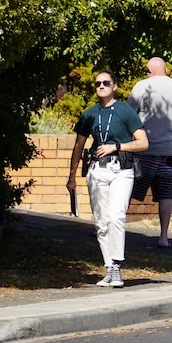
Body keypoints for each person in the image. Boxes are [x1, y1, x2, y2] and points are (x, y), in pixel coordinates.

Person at [67, 69, 148, 288]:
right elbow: (78, 145)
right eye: (97, 84)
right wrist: (72, 177)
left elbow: (143, 142)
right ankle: (109, 267)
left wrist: (116, 146)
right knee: (101, 222)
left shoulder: (125, 111)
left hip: (122, 169)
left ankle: (117, 267)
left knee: (115, 216)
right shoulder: (89, 114)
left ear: (114, 86)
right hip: (97, 170)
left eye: (105, 83)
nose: (101, 86)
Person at [126, 57, 172, 248]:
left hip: (143, 149)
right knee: (166, 194)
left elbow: (129, 114)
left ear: (149, 70)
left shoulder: (142, 86)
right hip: (170, 151)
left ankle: (116, 229)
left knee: (128, 189)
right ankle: (164, 236)